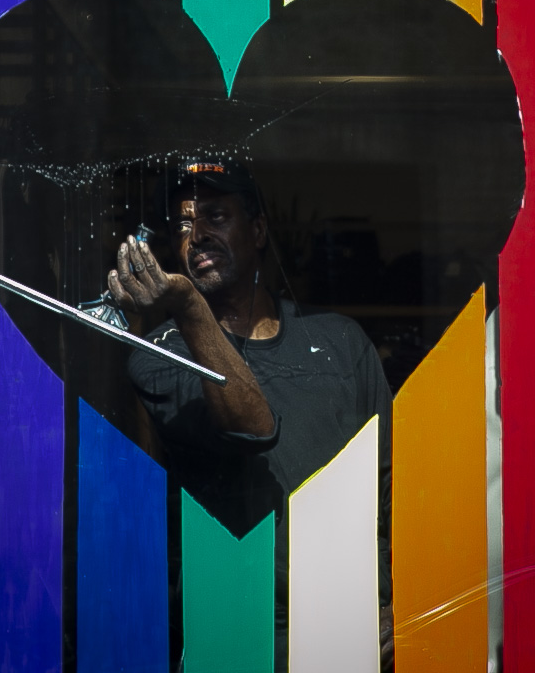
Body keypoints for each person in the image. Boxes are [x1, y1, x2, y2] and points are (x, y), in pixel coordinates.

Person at [107, 159, 393, 671]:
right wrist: (189, 307)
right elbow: (252, 425)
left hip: (345, 632)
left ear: (258, 230)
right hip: (233, 636)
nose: (196, 236)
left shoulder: (339, 344)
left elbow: (395, 486)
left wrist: (400, 600)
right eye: (182, 226)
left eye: (216, 217)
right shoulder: (158, 356)